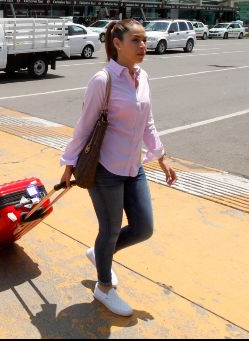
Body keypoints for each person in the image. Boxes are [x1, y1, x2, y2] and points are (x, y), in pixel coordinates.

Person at [59, 19, 177, 317]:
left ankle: (99, 254)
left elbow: (147, 121)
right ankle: (103, 287)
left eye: (144, 40)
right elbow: (84, 126)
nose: (143, 46)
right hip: (105, 170)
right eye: (135, 40)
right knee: (110, 229)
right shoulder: (103, 80)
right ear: (117, 44)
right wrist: (69, 164)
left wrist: (161, 156)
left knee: (143, 228)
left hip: (133, 167)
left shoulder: (142, 76)